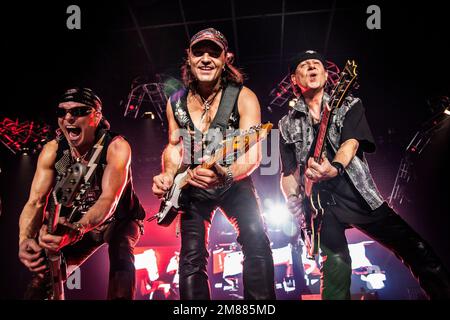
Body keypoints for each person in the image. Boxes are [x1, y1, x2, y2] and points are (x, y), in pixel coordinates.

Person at [279, 50, 450, 299]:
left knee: (417, 250)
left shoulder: (348, 104)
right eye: (304, 66)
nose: (312, 68)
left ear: (327, 75)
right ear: (295, 79)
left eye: (317, 64)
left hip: (358, 194)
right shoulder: (286, 124)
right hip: (320, 207)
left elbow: (351, 142)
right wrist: (292, 200)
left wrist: (334, 167)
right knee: (336, 268)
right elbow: (289, 172)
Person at [152, 28, 276, 300]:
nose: (206, 58)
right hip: (192, 187)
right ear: (189, 57)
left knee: (256, 239)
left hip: (234, 182)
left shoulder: (244, 96)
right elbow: (174, 146)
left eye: (214, 52)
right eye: (199, 52)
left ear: (225, 58)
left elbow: (253, 152)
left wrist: (227, 174)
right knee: (191, 256)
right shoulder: (176, 102)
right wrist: (167, 174)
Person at [18, 87, 145, 299]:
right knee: (43, 278)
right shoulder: (54, 151)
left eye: (78, 111)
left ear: (96, 116)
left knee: (122, 259)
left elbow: (108, 200)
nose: (68, 117)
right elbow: (35, 202)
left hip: (119, 220)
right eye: (62, 112)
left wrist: (78, 228)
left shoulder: (116, 147)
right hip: (78, 224)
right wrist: (24, 239)